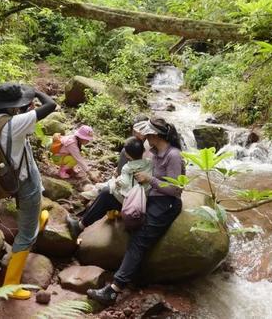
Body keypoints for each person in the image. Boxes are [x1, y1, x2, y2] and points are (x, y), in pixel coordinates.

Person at [67, 117, 185, 306]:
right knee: (107, 193)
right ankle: (80, 225)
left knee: (138, 239)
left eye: (147, 133)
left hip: (166, 203)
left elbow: (176, 189)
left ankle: (114, 290)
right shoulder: (154, 150)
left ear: (155, 135)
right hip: (147, 195)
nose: (144, 136)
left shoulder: (173, 156)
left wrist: (149, 179)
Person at [0, 82, 56, 300]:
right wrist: (35, 92)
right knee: (25, 236)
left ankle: (37, 223)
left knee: (35, 211)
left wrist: (25, 105)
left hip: (14, 177)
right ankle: (11, 286)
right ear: (13, 106)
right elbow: (51, 104)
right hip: (25, 182)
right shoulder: (15, 123)